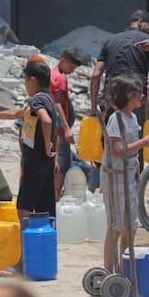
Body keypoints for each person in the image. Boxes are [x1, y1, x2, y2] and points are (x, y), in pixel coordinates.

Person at [0, 61, 59, 274]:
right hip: (45, 165)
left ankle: (23, 263)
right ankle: (43, 260)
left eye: (25, 80)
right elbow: (18, 113)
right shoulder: (48, 99)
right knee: (44, 212)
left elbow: (46, 121)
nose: (25, 85)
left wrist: (47, 144)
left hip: (35, 164)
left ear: (32, 80)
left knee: (23, 210)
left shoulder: (37, 100)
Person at [101, 75, 149, 273]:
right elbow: (117, 149)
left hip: (129, 174)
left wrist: (137, 167)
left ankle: (124, 271)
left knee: (130, 226)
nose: (142, 96)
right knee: (116, 225)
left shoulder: (132, 117)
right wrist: (143, 143)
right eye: (139, 93)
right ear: (130, 95)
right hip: (115, 177)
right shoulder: (116, 119)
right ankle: (110, 272)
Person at [89, 11, 149, 124]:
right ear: (140, 23)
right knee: (135, 131)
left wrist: (93, 109)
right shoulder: (148, 41)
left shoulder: (110, 41)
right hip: (136, 96)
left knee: (112, 131)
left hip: (112, 95)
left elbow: (96, 74)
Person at [50, 48, 83, 201]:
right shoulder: (59, 78)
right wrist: (67, 128)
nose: (72, 71)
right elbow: (58, 104)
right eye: (71, 67)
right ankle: (55, 200)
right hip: (60, 131)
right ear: (63, 60)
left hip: (55, 129)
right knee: (62, 166)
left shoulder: (52, 75)